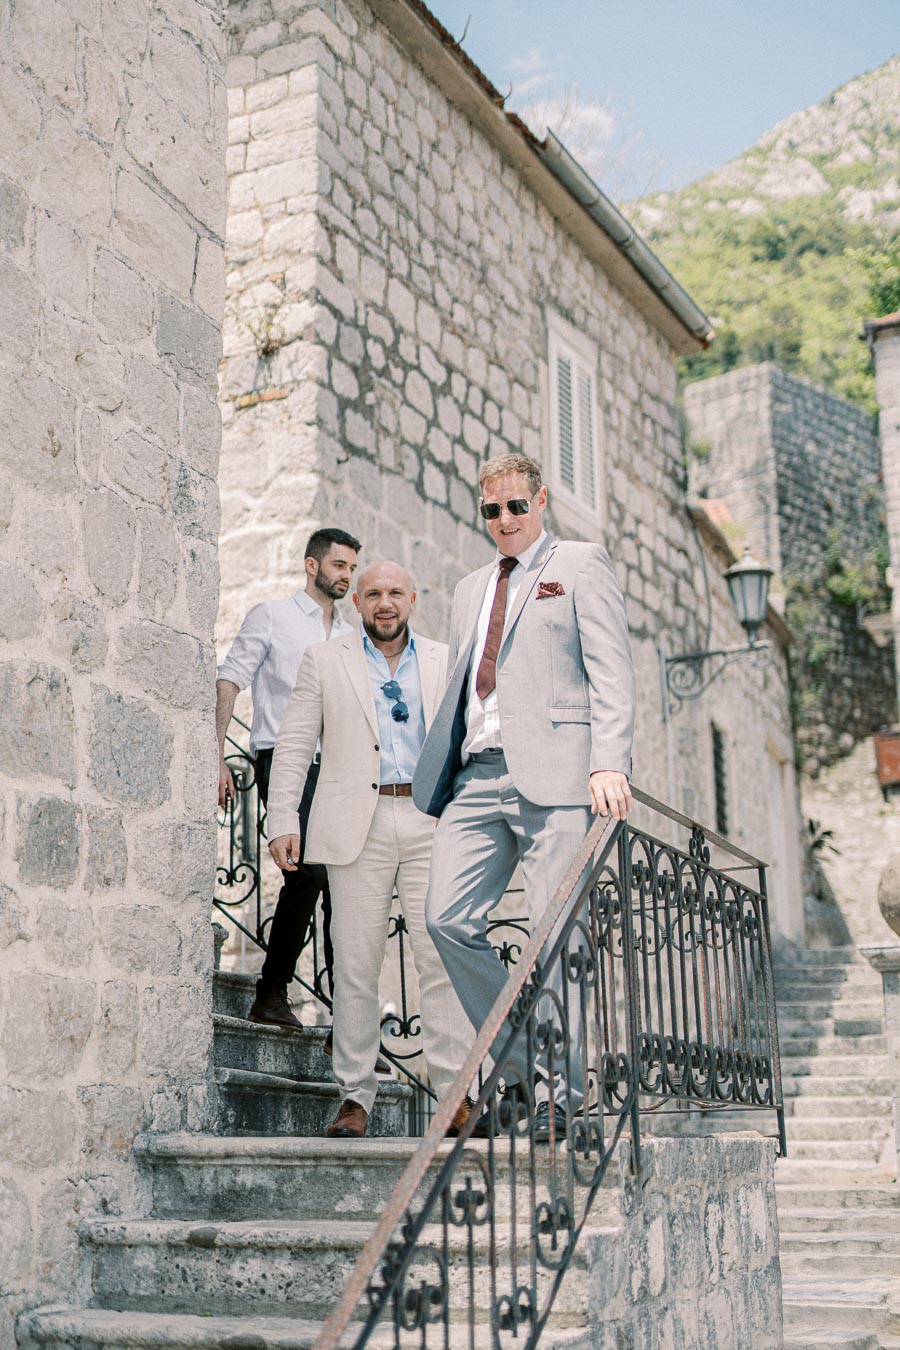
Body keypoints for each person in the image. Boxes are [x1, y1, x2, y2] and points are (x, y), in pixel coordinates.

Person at [413, 452, 635, 1140]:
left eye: (515, 506)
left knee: (553, 932)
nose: (504, 520)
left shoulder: (579, 563)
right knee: (446, 918)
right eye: (491, 511)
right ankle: (522, 1063)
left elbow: (611, 669)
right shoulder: (469, 587)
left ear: (540, 501)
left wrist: (609, 762)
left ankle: (558, 1096)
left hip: (558, 775)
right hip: (477, 776)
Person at [266, 561, 473, 1139]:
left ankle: (454, 1095)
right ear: (357, 602)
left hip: (431, 817)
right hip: (355, 822)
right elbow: (294, 743)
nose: (385, 603)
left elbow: (468, 737)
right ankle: (355, 1097)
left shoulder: (442, 659)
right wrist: (284, 816)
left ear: (414, 598)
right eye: (373, 593)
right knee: (356, 963)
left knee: (441, 954)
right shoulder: (324, 661)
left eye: (395, 594)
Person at [216, 526, 361, 1031]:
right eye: (339, 565)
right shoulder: (272, 616)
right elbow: (230, 678)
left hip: (340, 768)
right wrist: (216, 756)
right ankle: (272, 991)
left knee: (343, 886)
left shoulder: (351, 635)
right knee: (310, 872)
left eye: (351, 568)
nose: (347, 576)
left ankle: (346, 1023)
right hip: (282, 759)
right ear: (312, 564)